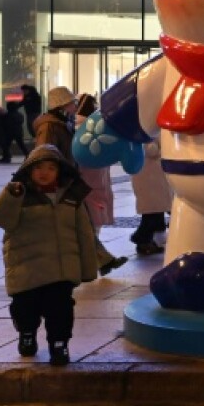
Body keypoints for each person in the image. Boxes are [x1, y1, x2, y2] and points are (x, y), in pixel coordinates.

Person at [0, 143, 99, 366]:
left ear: (59, 171)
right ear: (29, 170)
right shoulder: (19, 193)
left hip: (60, 270)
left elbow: (84, 233)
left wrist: (88, 268)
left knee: (60, 310)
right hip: (26, 269)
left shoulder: (70, 196)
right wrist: (10, 195)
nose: (44, 173)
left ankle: (59, 344)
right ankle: (27, 333)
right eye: (39, 167)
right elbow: (0, 218)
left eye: (51, 168)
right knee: (25, 309)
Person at [74, 94, 128, 276]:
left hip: (94, 184)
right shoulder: (86, 133)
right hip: (89, 185)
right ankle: (102, 261)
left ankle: (101, 262)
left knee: (91, 226)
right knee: (89, 227)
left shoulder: (88, 131)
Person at [129, 141, 171, 256]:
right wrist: (165, 146)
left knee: (155, 210)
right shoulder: (145, 131)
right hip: (149, 178)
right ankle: (141, 239)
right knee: (152, 212)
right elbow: (151, 150)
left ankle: (148, 239)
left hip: (151, 177)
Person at [34, 87, 77, 155]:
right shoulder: (48, 126)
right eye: (72, 103)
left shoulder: (63, 123)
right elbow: (45, 156)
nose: (75, 106)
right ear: (62, 107)